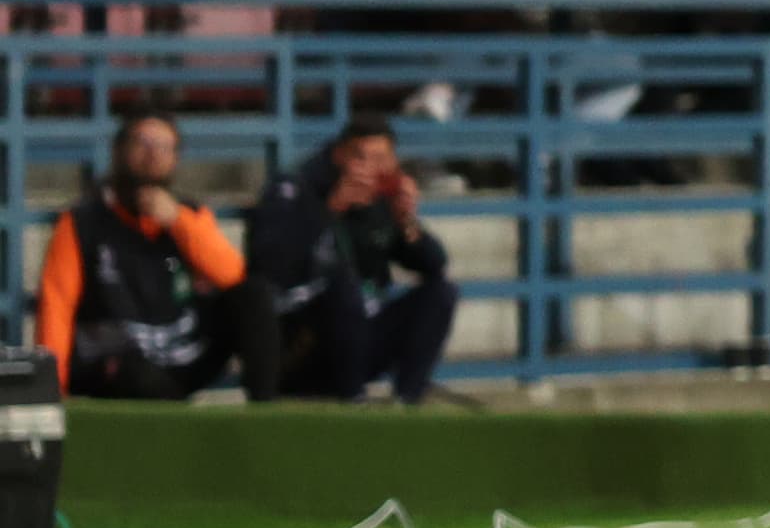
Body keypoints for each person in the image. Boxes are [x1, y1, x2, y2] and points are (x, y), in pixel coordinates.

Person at [38, 112, 278, 398]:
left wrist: (177, 220)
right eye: (144, 143)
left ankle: (264, 411)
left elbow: (232, 276)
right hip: (121, 359)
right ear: (119, 150)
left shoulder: (188, 215)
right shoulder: (81, 223)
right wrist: (51, 391)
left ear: (175, 160)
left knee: (254, 294)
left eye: (165, 147)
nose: (153, 155)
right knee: (131, 371)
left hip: (182, 351)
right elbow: (56, 307)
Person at [245, 118, 458, 404]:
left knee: (441, 292)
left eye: (381, 159)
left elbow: (434, 264)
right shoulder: (295, 187)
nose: (370, 168)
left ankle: (406, 402)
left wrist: (407, 223)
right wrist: (331, 209)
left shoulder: (381, 198)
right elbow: (270, 261)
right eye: (360, 157)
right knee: (342, 285)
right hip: (303, 343)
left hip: (363, 337)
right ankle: (353, 401)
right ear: (339, 154)